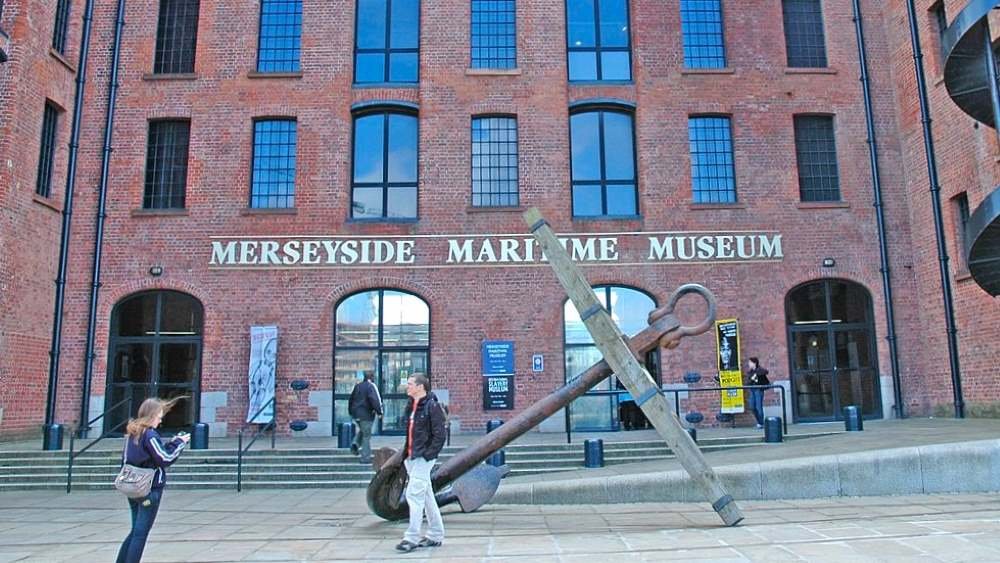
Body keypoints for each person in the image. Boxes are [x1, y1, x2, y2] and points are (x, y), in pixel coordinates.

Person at [116, 397, 190, 563]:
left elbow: (128, 459)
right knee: (141, 533)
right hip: (148, 489)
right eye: (158, 417)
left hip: (132, 487)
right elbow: (164, 458)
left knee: (135, 530)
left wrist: (169, 444)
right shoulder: (149, 435)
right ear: (151, 416)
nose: (159, 421)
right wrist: (179, 443)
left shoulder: (133, 434)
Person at [395, 373, 447, 553]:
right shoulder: (411, 406)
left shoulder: (432, 407)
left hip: (423, 458)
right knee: (426, 496)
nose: (407, 387)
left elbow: (440, 435)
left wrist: (428, 455)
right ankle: (435, 534)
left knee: (413, 495)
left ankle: (411, 537)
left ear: (420, 387)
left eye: (410, 384)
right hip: (411, 457)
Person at [348, 372, 383, 463]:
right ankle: (365, 458)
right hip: (366, 414)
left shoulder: (358, 386)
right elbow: (375, 400)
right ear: (371, 377)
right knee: (367, 436)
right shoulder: (371, 386)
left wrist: (351, 412)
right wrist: (379, 412)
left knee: (364, 430)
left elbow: (351, 399)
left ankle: (355, 443)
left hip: (356, 414)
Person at [248, 337, 277, 422]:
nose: (270, 355)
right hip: (255, 386)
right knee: (254, 400)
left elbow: (270, 386)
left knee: (261, 400)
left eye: (274, 354)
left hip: (263, 390)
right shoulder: (258, 364)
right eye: (268, 351)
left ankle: (261, 416)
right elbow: (252, 374)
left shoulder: (271, 370)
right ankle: (253, 414)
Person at [746, 357, 770, 428]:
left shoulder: (760, 370)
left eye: (750, 362)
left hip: (758, 390)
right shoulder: (750, 372)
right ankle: (759, 422)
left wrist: (757, 372)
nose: (749, 364)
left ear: (754, 363)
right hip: (752, 390)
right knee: (752, 407)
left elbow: (766, 371)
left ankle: (761, 423)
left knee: (759, 407)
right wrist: (752, 378)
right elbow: (748, 382)